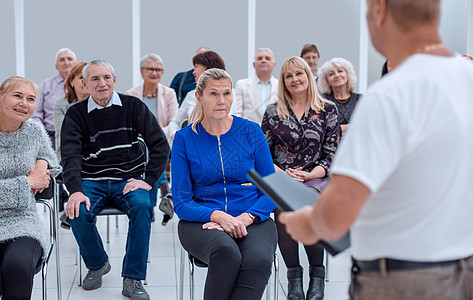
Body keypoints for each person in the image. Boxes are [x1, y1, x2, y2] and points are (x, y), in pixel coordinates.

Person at [279, 1, 473, 300]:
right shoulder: (467, 78)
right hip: (465, 268)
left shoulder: (391, 94)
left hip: (403, 281)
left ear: (379, 10)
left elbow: (339, 210)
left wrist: (307, 224)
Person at [61, 59, 170, 299]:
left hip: (128, 179)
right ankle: (97, 263)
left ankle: (133, 278)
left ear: (114, 80)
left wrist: (149, 180)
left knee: (142, 206)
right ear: (85, 84)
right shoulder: (76, 114)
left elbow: (160, 145)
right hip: (92, 180)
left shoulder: (133, 106)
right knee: (75, 209)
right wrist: (75, 190)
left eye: (107, 77)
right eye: (95, 79)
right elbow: (70, 156)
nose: (102, 83)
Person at [172, 68, 277, 300]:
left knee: (258, 260)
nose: (222, 101)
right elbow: (181, 201)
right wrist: (218, 216)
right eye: (213, 94)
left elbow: (271, 189)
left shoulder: (251, 131)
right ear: (199, 97)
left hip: (252, 217)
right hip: (201, 220)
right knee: (226, 253)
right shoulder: (184, 139)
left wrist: (246, 218)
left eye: (227, 94)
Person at [261, 56, 340, 300]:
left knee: (307, 201)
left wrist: (309, 174)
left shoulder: (328, 110)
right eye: (288, 76)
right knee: (282, 205)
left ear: (308, 76)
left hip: (315, 177)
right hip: (282, 176)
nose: (295, 79)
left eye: (299, 74)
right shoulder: (273, 112)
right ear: (283, 81)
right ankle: (293, 277)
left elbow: (332, 154)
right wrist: (284, 174)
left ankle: (317, 277)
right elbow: (263, 154)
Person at [0, 76, 61, 300]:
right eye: (17, 95)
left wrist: (42, 163)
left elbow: (51, 161)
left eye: (31, 98)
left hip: (23, 222)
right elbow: (32, 183)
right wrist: (27, 183)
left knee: (17, 266)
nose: (24, 103)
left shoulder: (34, 131)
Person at [126, 53, 178, 225]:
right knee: (150, 149)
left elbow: (173, 121)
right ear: (142, 71)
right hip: (138, 142)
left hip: (161, 139)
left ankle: (150, 206)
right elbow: (128, 122)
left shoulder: (169, 93)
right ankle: (164, 188)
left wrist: (151, 133)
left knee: (155, 147)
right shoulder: (131, 94)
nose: (155, 73)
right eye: (151, 69)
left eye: (158, 70)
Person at [168, 50, 226, 143]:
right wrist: (175, 137)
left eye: (196, 67)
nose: (193, 72)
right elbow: (174, 122)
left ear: (207, 69)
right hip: (194, 148)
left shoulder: (230, 95)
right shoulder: (191, 95)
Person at [32, 48, 77, 148]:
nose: (66, 62)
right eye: (62, 60)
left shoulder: (83, 85)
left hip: (77, 133)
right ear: (56, 65)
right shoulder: (46, 85)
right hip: (51, 135)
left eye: (69, 59)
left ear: (76, 64)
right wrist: (43, 135)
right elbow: (36, 113)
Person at [54, 61, 89, 161]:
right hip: (68, 155)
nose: (85, 81)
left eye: (89, 77)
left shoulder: (99, 102)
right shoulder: (60, 104)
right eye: (81, 77)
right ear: (71, 81)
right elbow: (63, 135)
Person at [318, 57, 361, 135]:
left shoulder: (361, 99)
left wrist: (339, 129)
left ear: (348, 74)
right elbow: (321, 129)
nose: (337, 75)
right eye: (331, 74)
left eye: (340, 71)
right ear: (326, 81)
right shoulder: (322, 101)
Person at [234, 48, 278, 124]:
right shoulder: (241, 85)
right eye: (260, 58)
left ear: (274, 65)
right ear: (254, 64)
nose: (263, 60)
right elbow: (237, 113)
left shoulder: (281, 86)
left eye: (267, 58)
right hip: (248, 133)